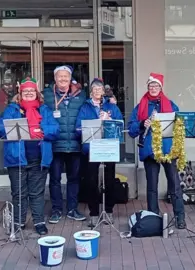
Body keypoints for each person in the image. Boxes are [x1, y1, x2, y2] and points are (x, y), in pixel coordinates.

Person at [0, 77, 60, 235]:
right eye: (26, 91)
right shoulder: (12, 109)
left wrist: (42, 131)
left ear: (37, 93)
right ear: (20, 93)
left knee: (37, 193)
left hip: (39, 158)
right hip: (16, 157)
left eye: (32, 91)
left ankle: (39, 222)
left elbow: (55, 129)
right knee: (19, 192)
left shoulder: (44, 110)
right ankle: (19, 221)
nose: (29, 93)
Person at [127, 72, 186, 229]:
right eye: (151, 86)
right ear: (147, 87)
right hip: (149, 150)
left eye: (156, 86)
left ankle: (180, 217)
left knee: (174, 185)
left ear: (161, 87)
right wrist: (141, 124)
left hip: (168, 151)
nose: (153, 88)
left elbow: (179, 127)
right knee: (152, 187)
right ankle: (153, 217)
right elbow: (131, 129)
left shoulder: (171, 105)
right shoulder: (140, 107)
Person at [75, 78, 123, 227]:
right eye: (94, 89)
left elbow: (120, 124)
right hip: (92, 147)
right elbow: (78, 128)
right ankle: (94, 213)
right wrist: (91, 125)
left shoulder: (111, 105)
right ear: (91, 91)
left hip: (108, 147)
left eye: (99, 89)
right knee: (91, 181)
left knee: (109, 180)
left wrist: (108, 119)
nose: (97, 91)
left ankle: (108, 210)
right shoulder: (85, 107)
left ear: (103, 91)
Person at [42, 65, 87, 222]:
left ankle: (72, 209)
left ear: (70, 79)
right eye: (60, 76)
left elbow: (94, 104)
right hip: (55, 144)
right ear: (55, 79)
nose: (63, 79)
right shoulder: (46, 95)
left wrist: (109, 100)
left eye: (66, 77)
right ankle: (56, 210)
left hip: (75, 144)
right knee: (54, 179)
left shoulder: (80, 95)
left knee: (74, 179)